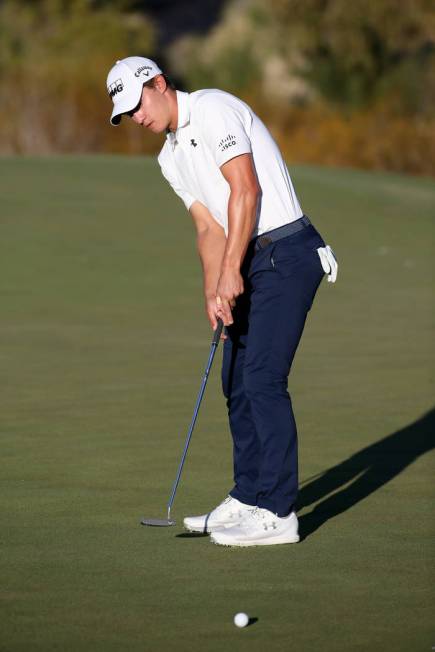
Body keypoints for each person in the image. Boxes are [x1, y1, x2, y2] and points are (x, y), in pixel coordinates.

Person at [106, 56, 338, 547]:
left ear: (160, 84)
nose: (137, 118)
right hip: (249, 259)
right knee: (234, 380)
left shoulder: (213, 110)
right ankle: (249, 496)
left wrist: (233, 269)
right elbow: (209, 227)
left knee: (262, 378)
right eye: (127, 115)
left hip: (288, 251)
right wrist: (214, 288)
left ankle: (278, 513)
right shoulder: (169, 157)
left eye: (137, 105)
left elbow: (246, 190)